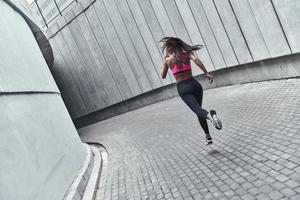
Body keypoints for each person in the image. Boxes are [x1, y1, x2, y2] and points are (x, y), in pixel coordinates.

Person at [160, 37, 222, 145]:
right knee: (199, 110)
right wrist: (206, 72)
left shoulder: (168, 59)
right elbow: (196, 60)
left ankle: (211, 117)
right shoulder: (187, 54)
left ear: (170, 47)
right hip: (194, 85)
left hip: (183, 88)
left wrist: (165, 63)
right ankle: (208, 136)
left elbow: (163, 76)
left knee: (198, 110)